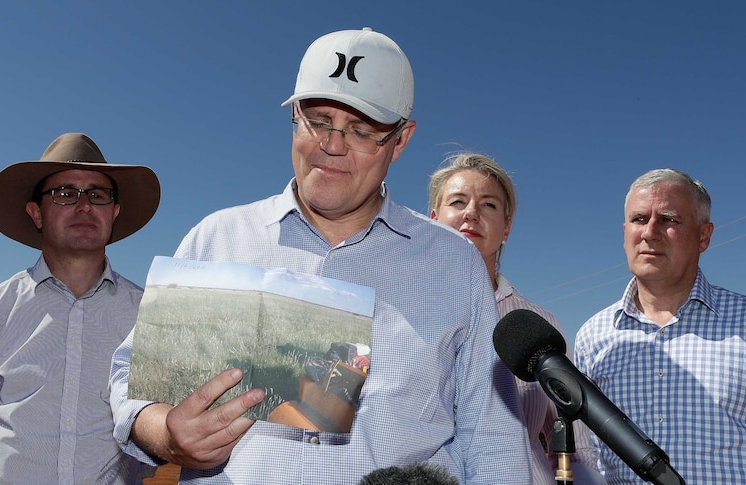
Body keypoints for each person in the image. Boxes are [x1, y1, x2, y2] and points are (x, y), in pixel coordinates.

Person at [109, 28, 532, 484]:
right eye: (317, 120)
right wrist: (165, 432)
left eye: (362, 129)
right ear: (294, 114)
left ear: (401, 139)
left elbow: (492, 437)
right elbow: (128, 381)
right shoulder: (216, 239)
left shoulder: (455, 263)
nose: (332, 144)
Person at [0, 133, 161, 484]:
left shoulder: (149, 319)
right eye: (65, 193)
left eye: (98, 195)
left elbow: (154, 444)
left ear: (114, 212)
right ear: (36, 213)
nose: (84, 206)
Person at [575, 168, 746, 483]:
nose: (650, 232)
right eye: (639, 219)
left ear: (704, 236)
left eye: (669, 220)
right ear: (625, 231)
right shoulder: (592, 337)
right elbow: (594, 459)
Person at [429, 152, 604, 485]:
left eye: (489, 205)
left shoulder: (540, 325)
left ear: (506, 228)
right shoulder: (397, 313)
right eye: (458, 201)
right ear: (434, 219)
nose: (471, 213)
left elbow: (579, 447)